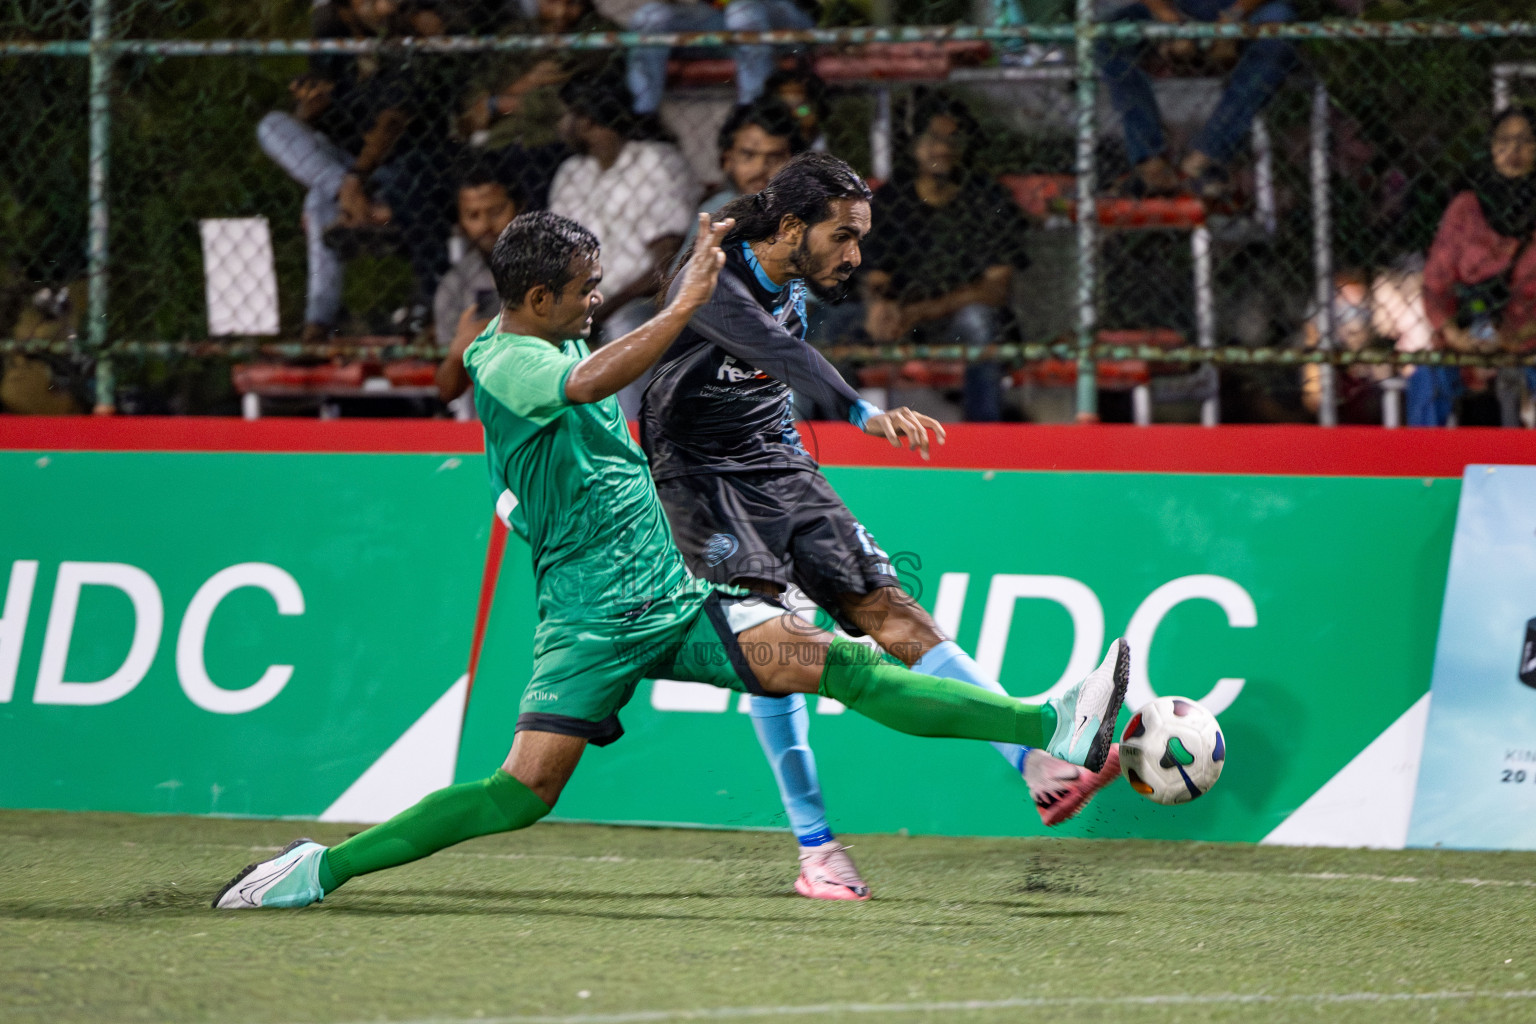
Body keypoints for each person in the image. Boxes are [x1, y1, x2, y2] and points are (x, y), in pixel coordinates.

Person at [212, 209, 1131, 910]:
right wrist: (689, 300)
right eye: (582, 288)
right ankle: (315, 873)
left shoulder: (553, 328)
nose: (595, 299)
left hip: (673, 594)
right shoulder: (514, 363)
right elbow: (591, 381)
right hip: (592, 621)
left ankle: (1048, 726)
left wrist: (682, 284)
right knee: (524, 790)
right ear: (536, 301)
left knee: (841, 664)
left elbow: (596, 377)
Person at [640, 153, 1121, 899]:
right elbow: (780, 350)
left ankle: (1036, 765)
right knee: (778, 648)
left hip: (778, 460)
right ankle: (816, 852)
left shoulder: (789, 257)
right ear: (792, 227)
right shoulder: (708, 277)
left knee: (890, 609)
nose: (855, 255)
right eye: (842, 237)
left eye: (860, 237)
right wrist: (863, 410)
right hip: (699, 480)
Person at [257, 0, 461, 341]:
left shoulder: (404, 43)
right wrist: (309, 110)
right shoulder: (334, 47)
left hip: (399, 167)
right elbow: (312, 122)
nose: (384, 7)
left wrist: (355, 179)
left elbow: (391, 122)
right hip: (343, 169)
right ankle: (342, 192)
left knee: (318, 203)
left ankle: (318, 323)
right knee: (271, 126)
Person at [858, 96, 1031, 422]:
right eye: (934, 138)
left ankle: (984, 438)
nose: (944, 148)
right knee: (831, 322)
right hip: (905, 317)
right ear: (914, 145)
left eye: (954, 138)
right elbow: (877, 276)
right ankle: (822, 440)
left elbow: (994, 290)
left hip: (955, 318)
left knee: (979, 320)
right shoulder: (891, 200)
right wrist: (880, 305)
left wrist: (916, 311)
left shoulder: (986, 198)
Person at [548, 72, 700, 417]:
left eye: (566, 114)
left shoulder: (654, 162)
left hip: (644, 302)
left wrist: (605, 308)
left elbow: (665, 264)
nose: (561, 124)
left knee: (625, 327)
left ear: (585, 120)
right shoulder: (572, 173)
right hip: (587, 302)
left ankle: (630, 434)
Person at [1097, 0, 1296, 199]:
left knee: (1281, 32)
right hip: (1177, 7)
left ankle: (1204, 159)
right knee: (1106, 37)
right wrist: (1170, 21)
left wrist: (1235, 16)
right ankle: (1150, 162)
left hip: (1247, 8)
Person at [1416, 106, 1536, 428]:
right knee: (1428, 379)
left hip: (1528, 341)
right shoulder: (1466, 207)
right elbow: (1436, 281)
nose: (1513, 151)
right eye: (1503, 141)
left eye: (1525, 141)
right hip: (1467, 337)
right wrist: (1453, 333)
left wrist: (1519, 335)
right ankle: (1426, 471)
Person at [456, 0, 619, 211]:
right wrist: (523, 86)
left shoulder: (597, 34)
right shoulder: (515, 34)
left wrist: (496, 103)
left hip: (549, 143)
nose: (561, 12)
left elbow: (559, 103)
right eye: (552, 1)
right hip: (498, 144)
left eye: (572, 3)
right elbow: (474, 102)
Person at [625, 0, 816, 116]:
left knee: (742, 12)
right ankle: (644, 118)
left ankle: (752, 116)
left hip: (782, 14)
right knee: (649, 16)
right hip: (719, 18)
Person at [435, 168, 524, 405]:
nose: (486, 225)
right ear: (461, 223)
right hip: (482, 411)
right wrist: (457, 354)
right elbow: (447, 391)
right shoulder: (454, 285)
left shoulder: (549, 269)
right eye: (473, 215)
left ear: (520, 208)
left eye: (496, 211)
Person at [679, 97, 806, 255]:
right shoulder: (717, 210)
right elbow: (685, 275)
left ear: (794, 162)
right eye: (748, 155)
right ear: (727, 159)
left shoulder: (808, 212)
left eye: (775, 157)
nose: (760, 169)